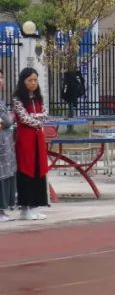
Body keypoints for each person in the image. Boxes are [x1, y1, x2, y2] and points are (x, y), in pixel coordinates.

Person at [12, 68, 48, 221]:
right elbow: (24, 118)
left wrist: (37, 118)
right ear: (23, 81)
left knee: (38, 170)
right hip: (25, 140)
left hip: (38, 139)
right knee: (26, 171)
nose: (33, 83)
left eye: (35, 80)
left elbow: (45, 114)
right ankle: (25, 208)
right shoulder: (18, 99)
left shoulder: (39, 98)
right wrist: (37, 120)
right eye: (30, 80)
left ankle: (34, 206)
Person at [0, 72, 16, 222]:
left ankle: (3, 210)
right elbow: (7, 120)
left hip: (5, 143)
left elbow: (6, 121)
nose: (1, 81)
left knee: (6, 174)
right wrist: (8, 120)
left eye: (1, 77)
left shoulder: (2, 101)